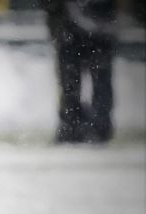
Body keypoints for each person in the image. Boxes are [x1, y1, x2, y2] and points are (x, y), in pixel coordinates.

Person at [45, 0, 116, 143]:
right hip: (76, 27)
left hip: (93, 27)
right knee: (73, 82)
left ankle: (87, 126)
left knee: (84, 81)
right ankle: (76, 125)